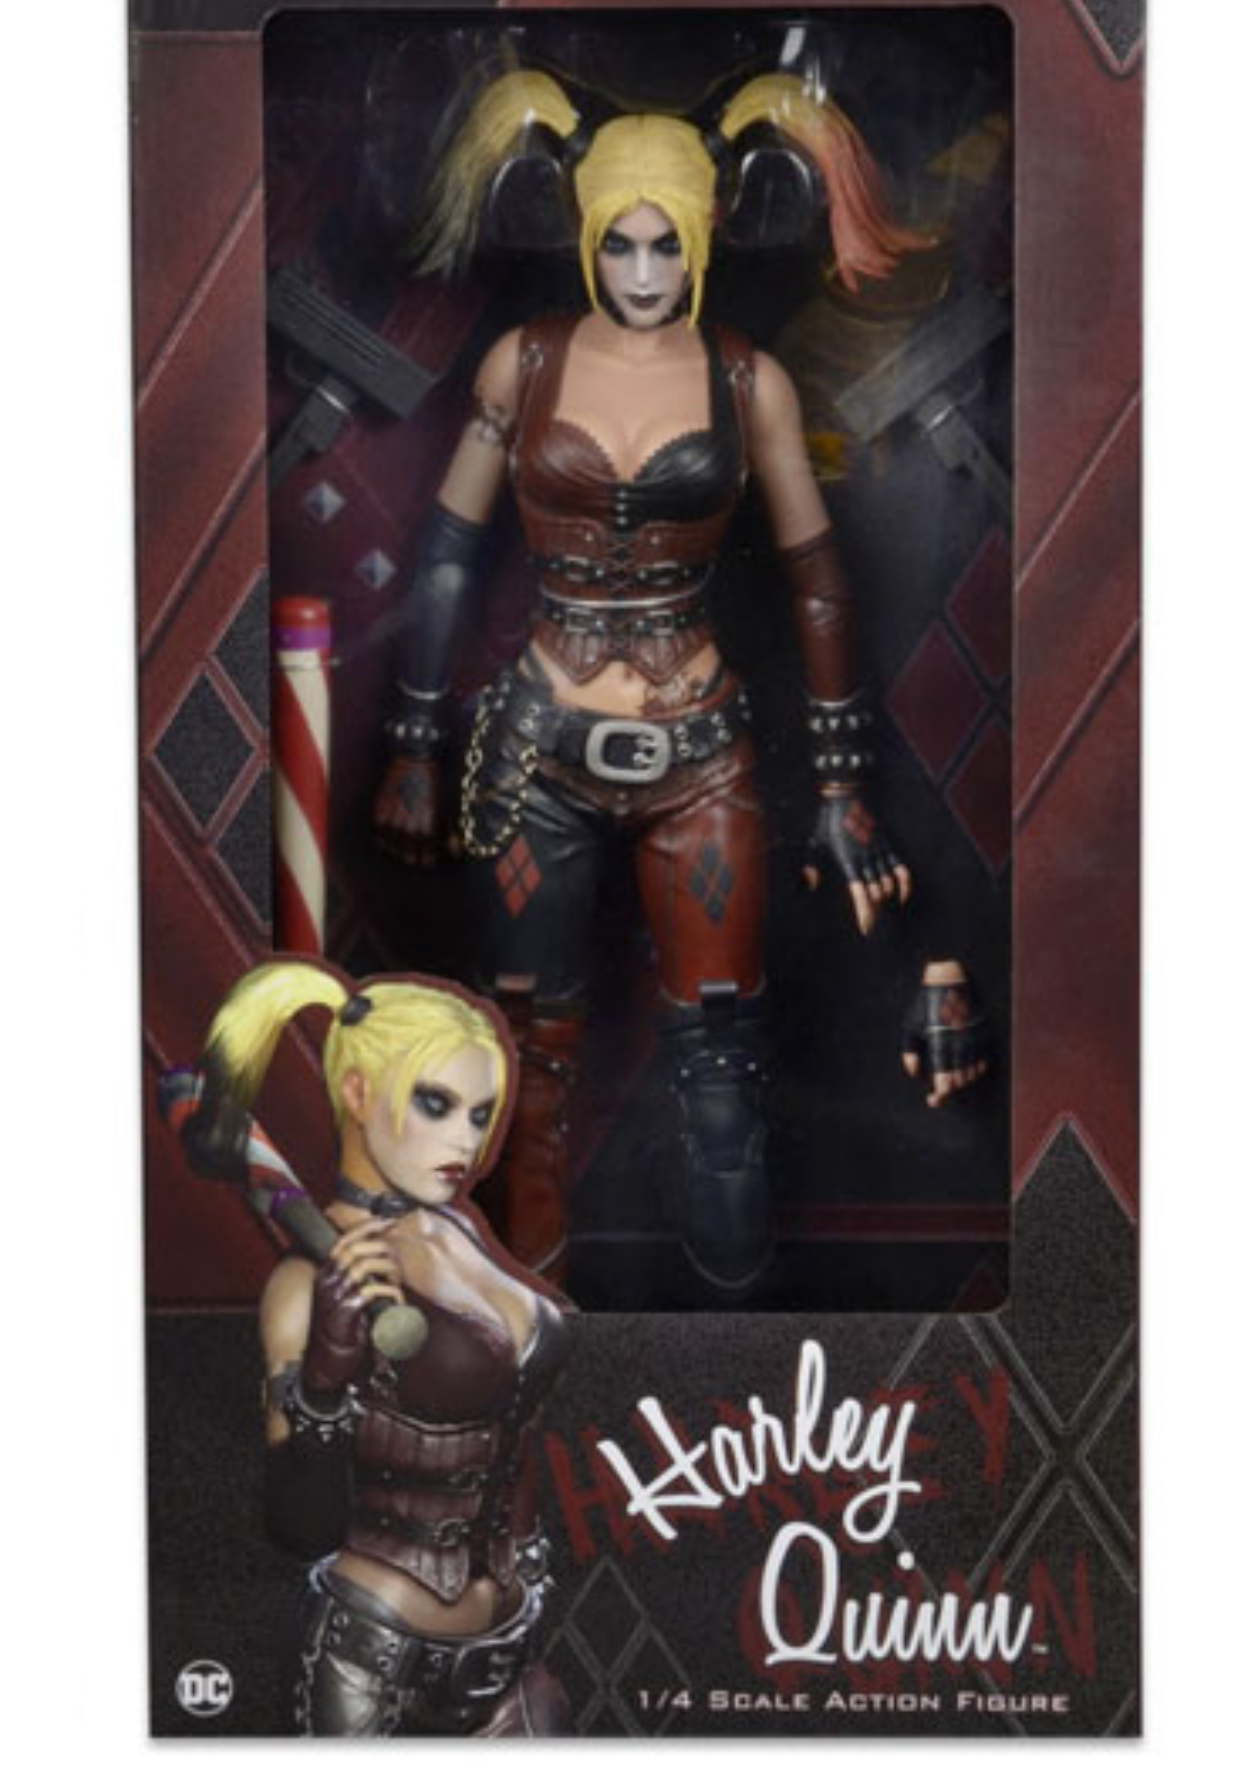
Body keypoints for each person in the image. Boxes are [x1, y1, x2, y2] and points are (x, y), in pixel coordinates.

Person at [374, 68, 989, 1293]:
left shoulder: (745, 378)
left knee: (719, 1068)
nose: (643, 271)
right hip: (537, 754)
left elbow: (818, 579)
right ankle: (525, 1323)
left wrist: (840, 788)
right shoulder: (523, 363)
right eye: (620, 242)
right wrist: (412, 742)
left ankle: (727, 1340)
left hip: (699, 758)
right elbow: (445, 552)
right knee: (523, 1065)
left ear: (702, 238)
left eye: (666, 244)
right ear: (586, 236)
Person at [198, 960, 571, 1737]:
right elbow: (298, 1529)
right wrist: (324, 1381)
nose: (465, 1139)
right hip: (371, 1678)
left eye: (480, 1113)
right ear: (359, 1093)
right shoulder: (306, 1285)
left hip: (511, 1665)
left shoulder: (455, 1230)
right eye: (436, 1104)